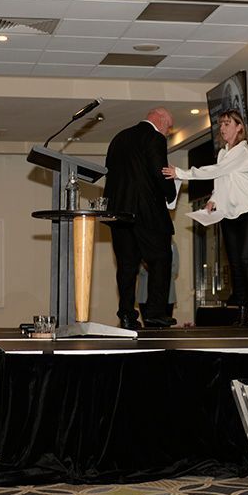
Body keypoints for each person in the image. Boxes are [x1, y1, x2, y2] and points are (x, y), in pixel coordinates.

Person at [164, 109, 248, 326]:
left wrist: (182, 173)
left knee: (247, 259)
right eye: (221, 124)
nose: (222, 128)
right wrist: (213, 199)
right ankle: (242, 310)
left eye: (227, 124)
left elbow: (216, 170)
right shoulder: (222, 153)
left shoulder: (244, 151)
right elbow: (220, 182)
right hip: (229, 213)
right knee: (235, 263)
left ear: (239, 127)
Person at [104, 107, 178, 329]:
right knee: (161, 259)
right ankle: (155, 312)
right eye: (169, 127)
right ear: (160, 119)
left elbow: (111, 174)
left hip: (119, 214)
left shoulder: (118, 138)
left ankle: (126, 314)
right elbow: (159, 172)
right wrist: (171, 193)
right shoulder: (155, 137)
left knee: (126, 265)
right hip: (147, 212)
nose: (168, 132)